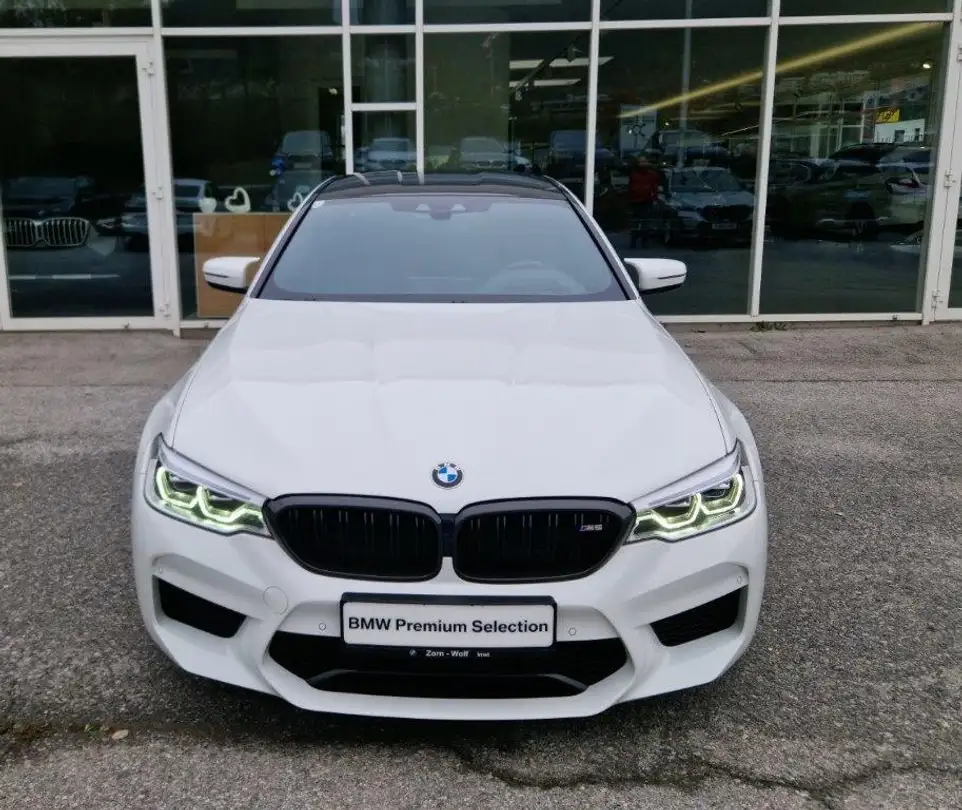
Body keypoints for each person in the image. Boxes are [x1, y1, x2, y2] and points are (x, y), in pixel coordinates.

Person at [628, 155, 662, 248]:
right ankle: (637, 241)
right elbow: (631, 187)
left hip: (645, 200)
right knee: (640, 222)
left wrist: (654, 198)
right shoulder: (635, 175)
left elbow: (654, 188)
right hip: (638, 200)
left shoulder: (651, 174)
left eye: (644, 162)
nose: (643, 164)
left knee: (643, 222)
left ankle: (641, 241)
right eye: (641, 162)